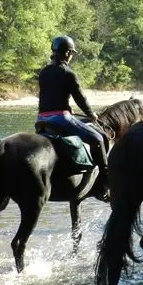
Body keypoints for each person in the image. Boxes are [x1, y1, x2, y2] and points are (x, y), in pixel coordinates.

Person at [36, 36, 109, 199]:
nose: (71, 56)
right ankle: (105, 179)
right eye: (71, 53)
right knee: (98, 138)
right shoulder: (68, 73)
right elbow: (80, 98)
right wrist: (91, 114)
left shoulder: (44, 72)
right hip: (61, 118)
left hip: (41, 118)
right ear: (68, 53)